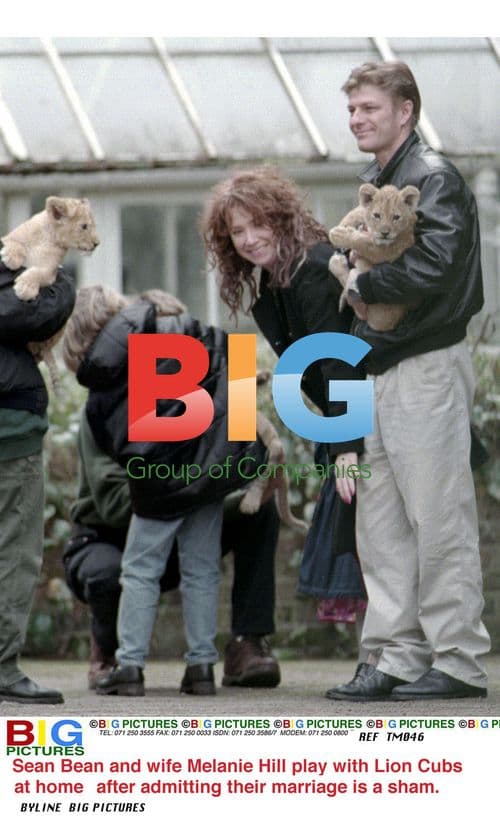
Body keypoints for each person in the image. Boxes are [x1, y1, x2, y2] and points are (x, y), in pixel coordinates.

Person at [325, 61, 490, 701]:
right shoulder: (381, 182)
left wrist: (360, 282)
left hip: (426, 363)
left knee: (438, 517)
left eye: (369, 107)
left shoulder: (434, 177)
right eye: (352, 110)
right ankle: (394, 655)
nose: (357, 119)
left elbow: (438, 268)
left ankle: (458, 661)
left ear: (405, 111)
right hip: (380, 362)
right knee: (382, 519)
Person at [62, 285, 271, 696]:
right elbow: (240, 365)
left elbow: (107, 424)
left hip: (156, 482)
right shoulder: (195, 336)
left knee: (140, 571)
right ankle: (201, 669)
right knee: (203, 571)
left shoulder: (118, 360)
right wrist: (232, 462)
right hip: (206, 481)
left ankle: (130, 666)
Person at [201, 166, 367, 644]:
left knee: (367, 547)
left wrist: (347, 449)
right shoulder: (279, 279)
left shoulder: (312, 268)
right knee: (356, 549)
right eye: (237, 231)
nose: (250, 239)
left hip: (362, 424)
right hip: (344, 424)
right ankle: (377, 661)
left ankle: (385, 663)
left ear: (282, 218)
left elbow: (341, 363)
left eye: (259, 224)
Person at [63, 410, 281, 690]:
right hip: (109, 535)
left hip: (177, 503)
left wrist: (259, 477)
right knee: (117, 573)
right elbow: (113, 503)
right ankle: (113, 652)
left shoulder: (226, 385)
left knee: (259, 510)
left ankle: (245, 644)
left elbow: (249, 459)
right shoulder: (108, 401)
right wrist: (195, 493)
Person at [0, 259, 75, 704]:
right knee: (14, 552)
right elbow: (46, 308)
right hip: (11, 430)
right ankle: (3, 668)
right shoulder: (17, 270)